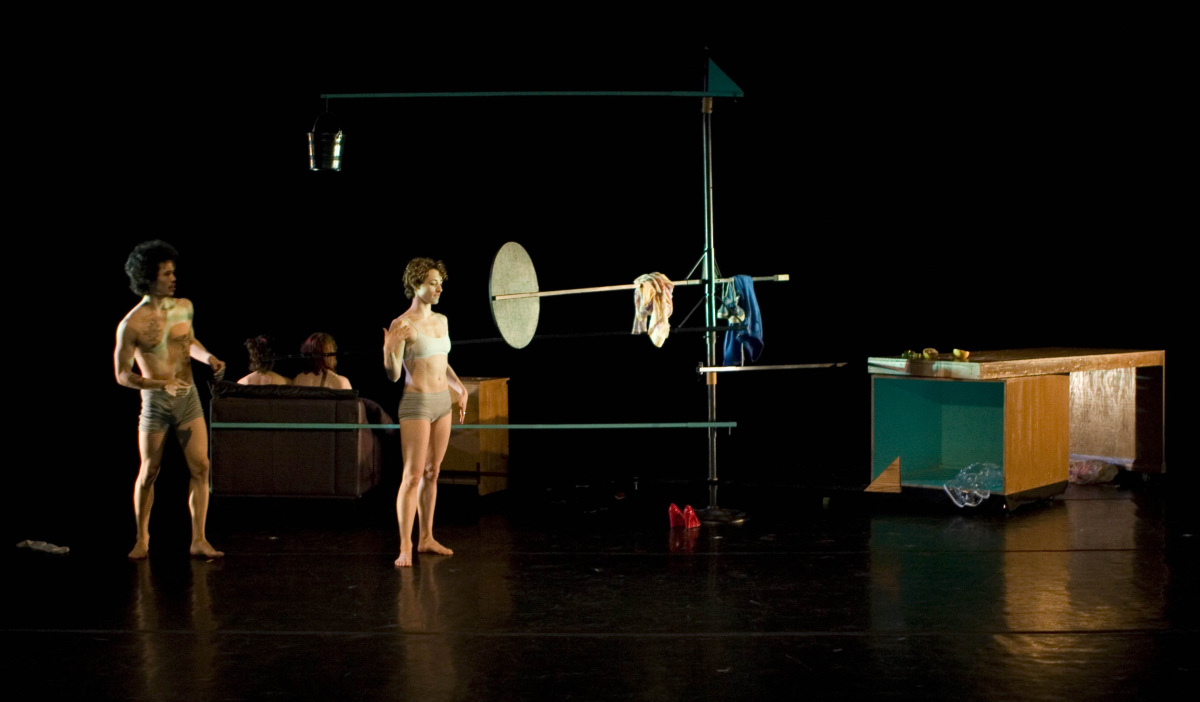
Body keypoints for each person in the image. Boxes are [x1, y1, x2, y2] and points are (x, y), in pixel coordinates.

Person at [113, 240, 225, 559]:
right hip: (156, 404)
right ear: (149, 278)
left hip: (188, 398)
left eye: (173, 272)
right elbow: (122, 375)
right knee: (150, 470)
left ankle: (199, 539)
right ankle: (142, 539)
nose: (174, 278)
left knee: (201, 466)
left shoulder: (184, 307)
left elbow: (188, 341)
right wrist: (161, 384)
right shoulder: (131, 324)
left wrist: (209, 358)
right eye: (166, 273)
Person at [383, 257, 467, 567]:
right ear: (416, 285)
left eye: (440, 283)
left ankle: (426, 538)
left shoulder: (442, 320)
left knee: (433, 472)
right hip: (417, 404)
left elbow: (442, 361)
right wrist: (389, 349)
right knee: (412, 476)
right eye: (433, 283)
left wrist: (459, 389)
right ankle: (405, 545)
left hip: (442, 403)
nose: (439, 288)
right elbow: (393, 374)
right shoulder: (402, 324)